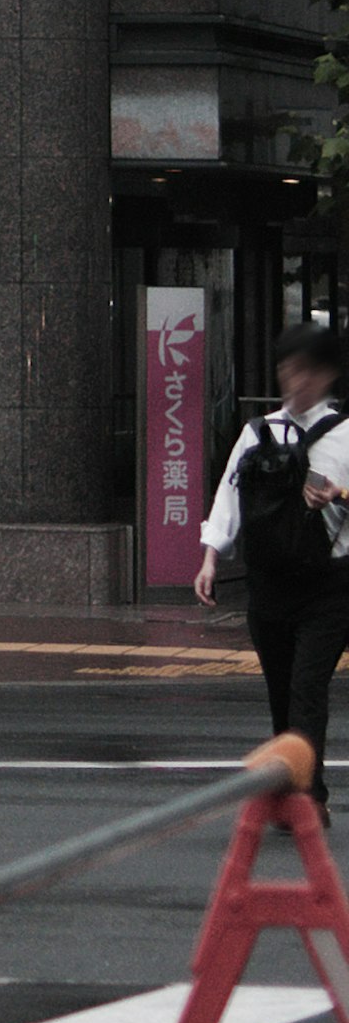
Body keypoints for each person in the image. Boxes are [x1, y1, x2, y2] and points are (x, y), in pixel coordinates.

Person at [199, 326, 349, 763]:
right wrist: (211, 558)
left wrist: (337, 496)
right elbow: (229, 496)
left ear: (326, 376)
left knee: (307, 690)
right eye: (288, 370)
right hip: (268, 586)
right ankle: (288, 786)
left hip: (329, 587)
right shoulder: (259, 433)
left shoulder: (344, 434)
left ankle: (307, 796)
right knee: (282, 696)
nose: (296, 381)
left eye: (306, 371)